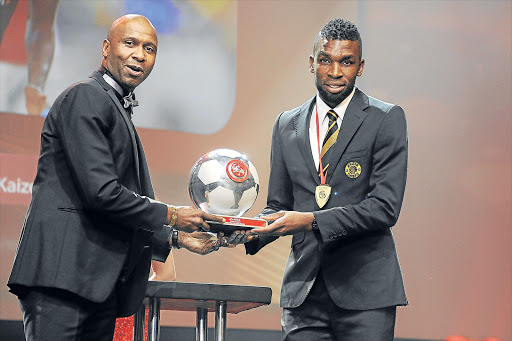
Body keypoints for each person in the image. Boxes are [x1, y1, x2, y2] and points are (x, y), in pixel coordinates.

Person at [7, 14, 225, 341]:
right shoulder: (86, 96)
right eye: (130, 43)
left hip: (94, 285)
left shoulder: (115, 106)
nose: (140, 54)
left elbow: (116, 208)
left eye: (149, 48)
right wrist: (175, 216)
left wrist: (176, 237)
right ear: (106, 48)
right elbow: (102, 194)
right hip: (63, 280)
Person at [243, 18, 408, 340]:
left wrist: (309, 220)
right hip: (303, 292)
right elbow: (278, 204)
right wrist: (244, 232)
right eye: (326, 60)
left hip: (366, 293)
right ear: (311, 63)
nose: (335, 72)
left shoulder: (385, 119)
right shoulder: (286, 124)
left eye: (346, 62)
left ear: (360, 67)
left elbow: (384, 208)